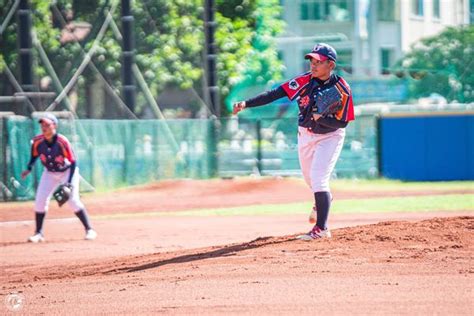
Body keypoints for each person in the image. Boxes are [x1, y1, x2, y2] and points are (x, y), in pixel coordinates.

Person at [233, 43, 355, 240]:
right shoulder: (304, 81)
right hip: (305, 135)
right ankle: (324, 200)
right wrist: (246, 103)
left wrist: (321, 119)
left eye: (319, 62)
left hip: (330, 136)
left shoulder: (342, 89)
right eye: (311, 61)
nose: (313, 65)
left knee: (318, 178)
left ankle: (321, 228)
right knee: (310, 180)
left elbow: (342, 123)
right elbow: (274, 93)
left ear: (331, 65)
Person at [21, 113, 97, 242]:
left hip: (67, 171)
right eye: (42, 125)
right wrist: (29, 168)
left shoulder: (62, 141)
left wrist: (68, 183)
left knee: (72, 200)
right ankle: (38, 233)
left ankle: (89, 230)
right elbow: (34, 155)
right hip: (49, 172)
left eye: (47, 125)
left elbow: (73, 162)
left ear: (54, 126)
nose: (44, 127)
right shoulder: (37, 141)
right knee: (40, 200)